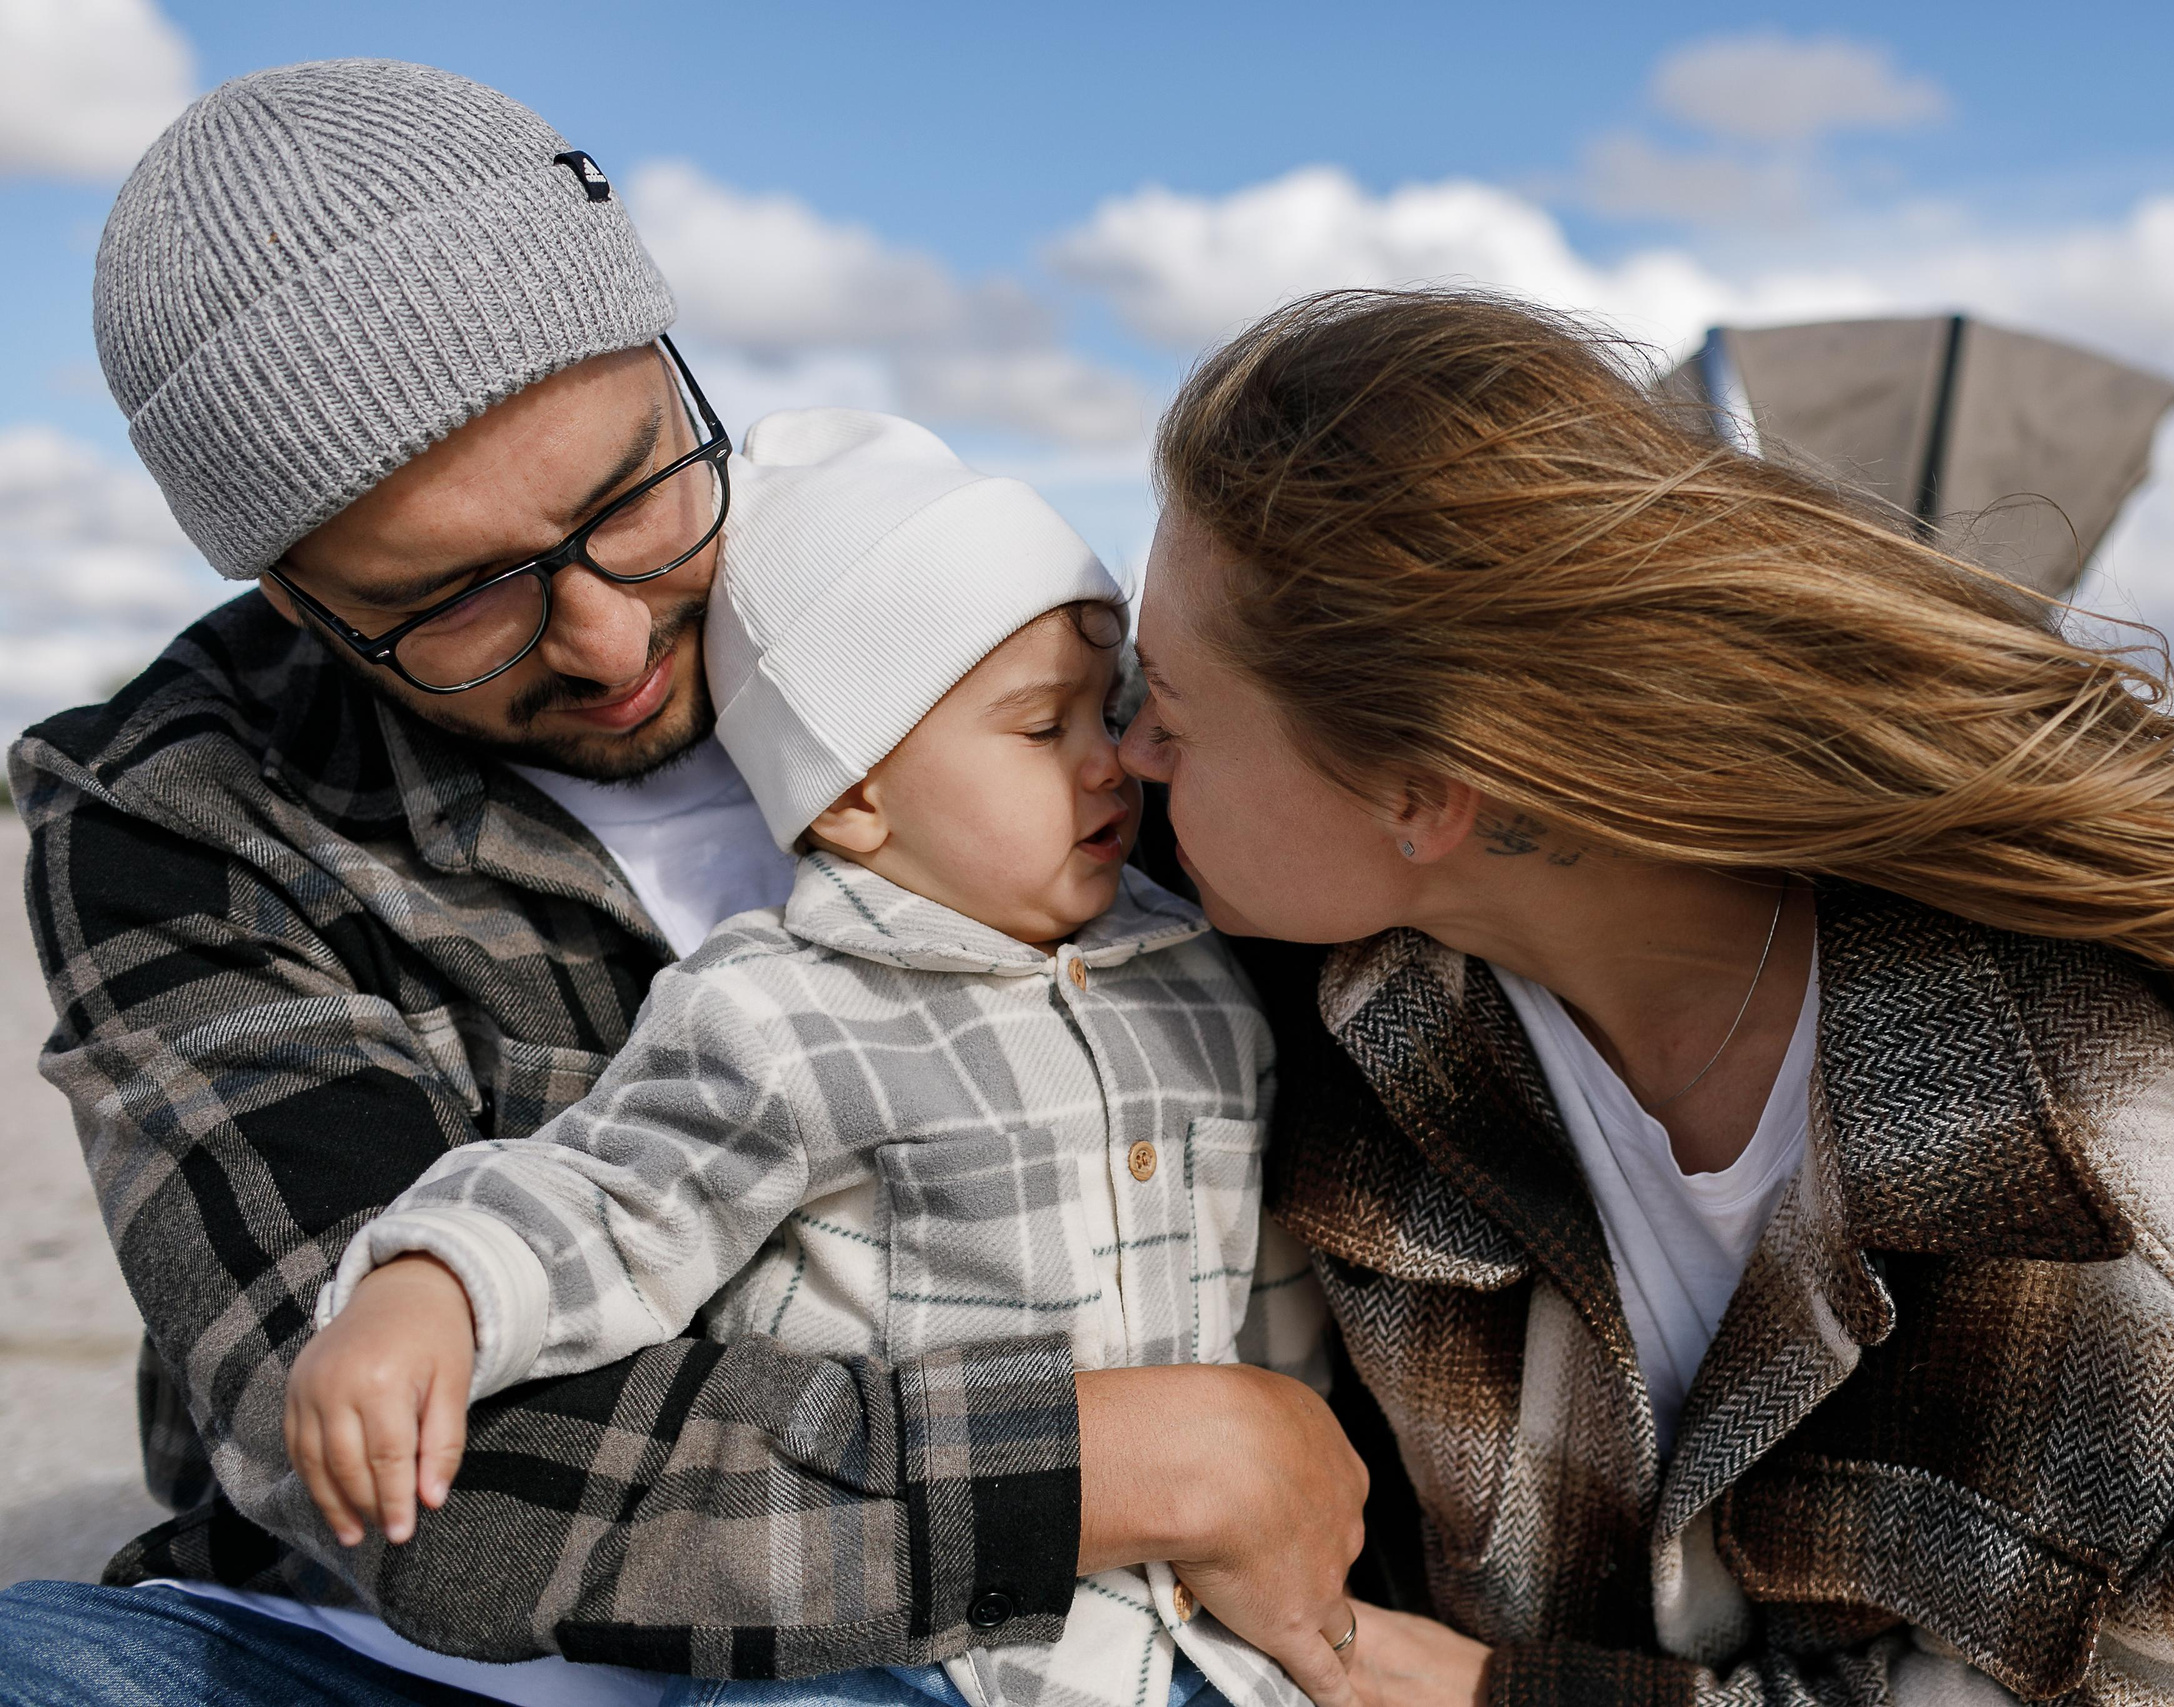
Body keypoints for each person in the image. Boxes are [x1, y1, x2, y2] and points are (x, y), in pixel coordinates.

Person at [0, 61, 1367, 1707]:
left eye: (632, 494)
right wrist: (1134, 1459)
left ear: (675, 365)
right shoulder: (175, 803)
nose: (608, 637)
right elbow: (405, 1486)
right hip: (411, 1664)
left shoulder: (952, 619)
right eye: (455, 599)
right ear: (296, 600)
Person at [1114, 286, 2174, 1706]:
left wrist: (1519, 1695)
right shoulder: (1328, 984)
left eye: (1166, 714)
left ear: (1423, 792)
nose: (1127, 761)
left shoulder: (2076, 1146)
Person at [283, 406, 1323, 1707]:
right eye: (1042, 725)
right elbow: (609, 1201)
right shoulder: (783, 1011)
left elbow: (1265, 1294)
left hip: (1171, 1633)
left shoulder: (1197, 973)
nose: (1112, 760)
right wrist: (434, 1288)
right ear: (850, 795)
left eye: (1111, 708)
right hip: (893, 1646)